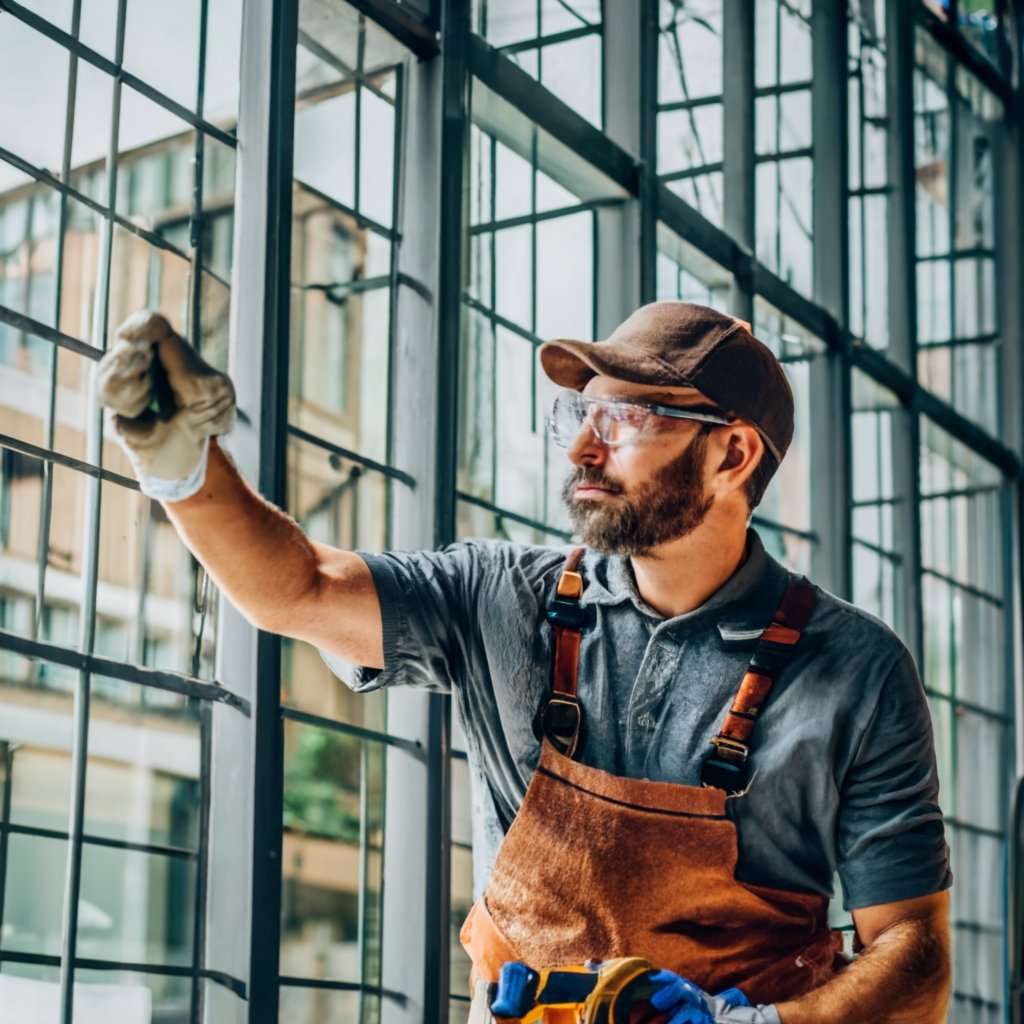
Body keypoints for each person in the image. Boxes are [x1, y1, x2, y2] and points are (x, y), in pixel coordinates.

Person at [96, 302, 952, 1023]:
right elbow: (299, 589)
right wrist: (182, 466)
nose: (584, 447)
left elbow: (915, 956)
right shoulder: (499, 596)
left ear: (733, 455)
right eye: (581, 415)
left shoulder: (858, 672)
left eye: (626, 421)